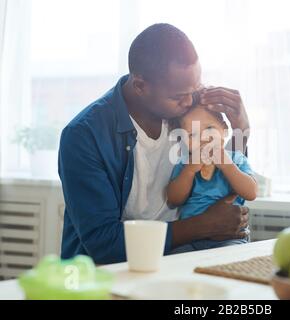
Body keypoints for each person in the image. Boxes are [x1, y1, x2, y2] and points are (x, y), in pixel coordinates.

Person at [58, 23, 251, 264]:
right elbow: (104, 243)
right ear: (140, 85)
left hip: (179, 261)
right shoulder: (84, 135)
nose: (190, 100)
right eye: (179, 96)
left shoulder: (187, 111)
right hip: (109, 274)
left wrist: (241, 129)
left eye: (196, 88)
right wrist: (200, 226)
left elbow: (219, 177)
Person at [166, 105, 257, 253]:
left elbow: (251, 192)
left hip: (230, 238)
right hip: (191, 239)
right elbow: (174, 199)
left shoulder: (235, 158)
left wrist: (228, 166)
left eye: (209, 128)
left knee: (231, 258)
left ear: (224, 130)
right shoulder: (184, 163)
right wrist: (189, 171)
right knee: (174, 258)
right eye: (192, 135)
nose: (203, 138)